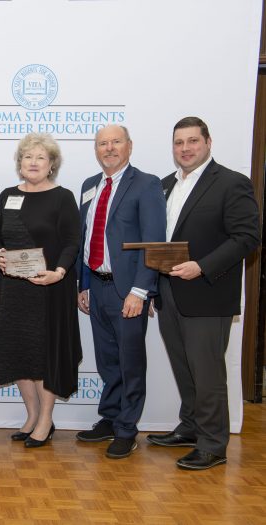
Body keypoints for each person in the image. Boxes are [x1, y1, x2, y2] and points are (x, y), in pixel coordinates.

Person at [147, 117, 260, 470]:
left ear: (208, 143)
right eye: (179, 142)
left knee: (208, 373)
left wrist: (202, 266)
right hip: (168, 292)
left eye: (193, 141)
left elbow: (247, 238)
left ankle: (213, 444)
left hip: (207, 294)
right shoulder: (164, 185)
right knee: (184, 368)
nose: (185, 149)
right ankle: (192, 427)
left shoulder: (230, 183)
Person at [0, 133, 82, 448]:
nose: (34, 163)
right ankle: (31, 415)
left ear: (51, 163)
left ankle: (46, 420)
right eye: (28, 157)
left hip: (48, 288)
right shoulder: (7, 194)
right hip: (13, 289)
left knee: (43, 356)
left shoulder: (62, 197)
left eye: (40, 157)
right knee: (18, 353)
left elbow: (71, 241)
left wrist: (60, 272)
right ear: (19, 163)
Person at [76, 125, 166, 459]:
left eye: (116, 142)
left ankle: (127, 428)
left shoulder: (146, 184)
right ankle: (110, 417)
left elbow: (154, 243)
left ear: (129, 146)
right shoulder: (89, 186)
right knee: (107, 360)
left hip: (127, 291)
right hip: (97, 288)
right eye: (102, 143)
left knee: (130, 362)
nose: (109, 148)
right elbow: (87, 238)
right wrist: (83, 284)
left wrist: (140, 291)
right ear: (96, 149)